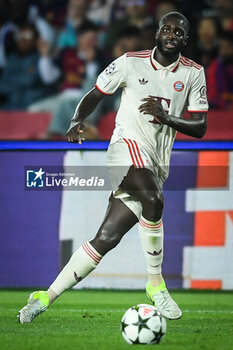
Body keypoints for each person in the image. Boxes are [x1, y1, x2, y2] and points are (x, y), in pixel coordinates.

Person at [18, 11, 208, 323]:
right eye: (167, 29)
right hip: (124, 148)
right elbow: (96, 93)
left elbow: (199, 126)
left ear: (185, 39)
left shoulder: (193, 73)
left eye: (179, 31)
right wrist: (78, 118)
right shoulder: (130, 62)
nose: (172, 34)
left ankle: (45, 296)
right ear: (157, 32)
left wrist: (166, 117)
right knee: (154, 199)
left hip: (156, 162)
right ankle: (156, 285)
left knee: (106, 237)